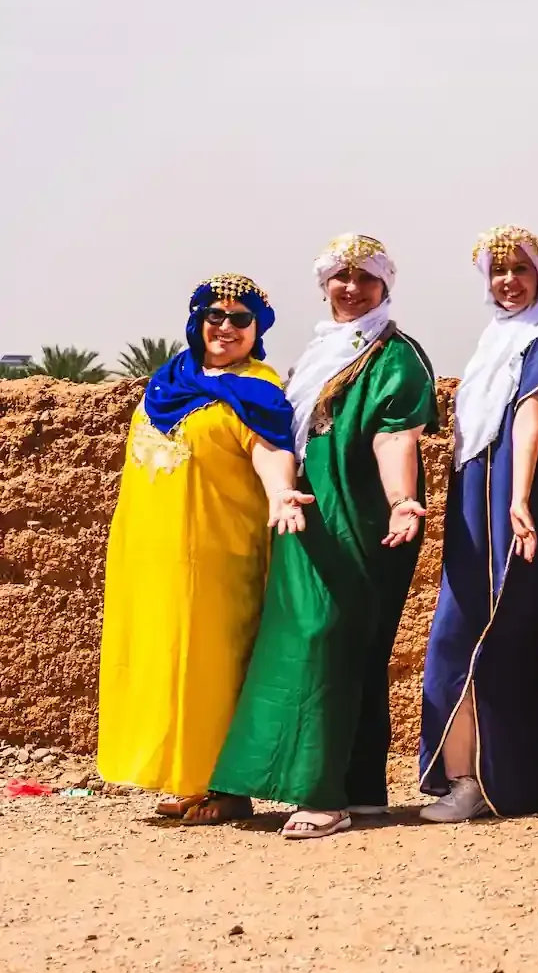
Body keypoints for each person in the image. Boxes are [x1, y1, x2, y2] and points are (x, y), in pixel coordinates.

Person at [210, 235, 437, 839]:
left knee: (329, 636)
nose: (352, 288)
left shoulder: (395, 355)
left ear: (385, 286)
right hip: (306, 513)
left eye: (365, 278)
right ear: (324, 284)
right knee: (331, 641)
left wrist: (401, 500)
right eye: (342, 276)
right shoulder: (319, 351)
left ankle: (322, 794)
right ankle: (360, 789)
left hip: (359, 518)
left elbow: (396, 437)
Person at [96, 275, 310, 825]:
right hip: (151, 552)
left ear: (258, 329)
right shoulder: (171, 379)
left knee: (211, 668)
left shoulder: (257, 389)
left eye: (241, 319)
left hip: (216, 557)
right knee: (162, 663)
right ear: (197, 321)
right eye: (215, 315)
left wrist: (281, 493)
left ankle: (226, 786)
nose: (226, 328)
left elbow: (270, 449)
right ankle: (188, 778)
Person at [416, 226, 538, 823]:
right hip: (477, 500)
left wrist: (520, 497)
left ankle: (481, 782)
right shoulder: (497, 339)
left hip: (506, 504)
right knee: (473, 634)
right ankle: (499, 782)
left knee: (482, 637)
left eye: (520, 269)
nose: (509, 281)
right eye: (498, 270)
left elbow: (532, 416)